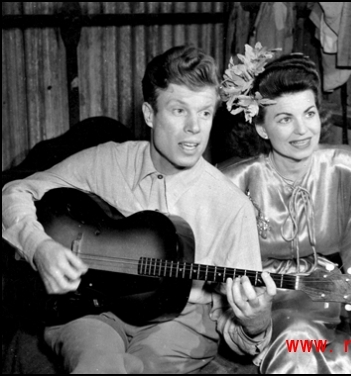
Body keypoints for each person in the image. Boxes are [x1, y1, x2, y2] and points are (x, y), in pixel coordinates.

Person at [2, 45, 277, 374]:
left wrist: (255, 324)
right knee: (95, 367)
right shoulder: (109, 160)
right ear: (149, 114)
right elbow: (14, 191)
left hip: (181, 321)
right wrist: (39, 247)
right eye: (179, 111)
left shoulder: (233, 207)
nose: (194, 128)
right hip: (94, 307)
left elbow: (234, 325)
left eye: (205, 112)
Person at [218, 44, 351, 373]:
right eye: (285, 118)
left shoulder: (350, 167)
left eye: (309, 113)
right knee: (297, 341)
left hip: (323, 287)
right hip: (257, 295)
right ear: (261, 127)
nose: (302, 130)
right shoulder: (234, 180)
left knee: (303, 336)